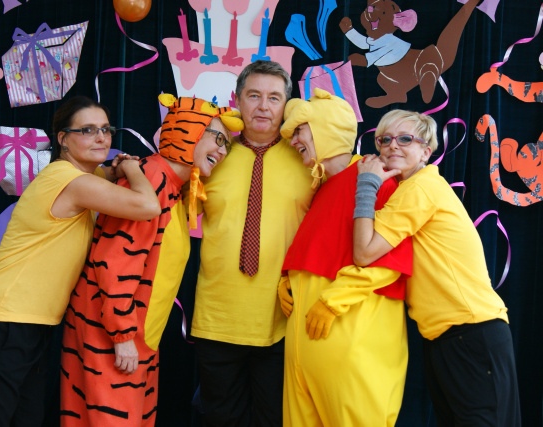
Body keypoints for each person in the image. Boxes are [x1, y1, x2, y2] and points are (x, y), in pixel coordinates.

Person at [0, 95, 161, 427]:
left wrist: (113, 170)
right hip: (2, 313)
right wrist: (131, 168)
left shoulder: (76, 177)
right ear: (63, 138)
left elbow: (100, 178)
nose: (101, 138)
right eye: (88, 130)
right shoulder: (69, 180)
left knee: (27, 417)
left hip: (29, 318)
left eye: (106, 129)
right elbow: (148, 206)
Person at [60, 94, 244, 426]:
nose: (221, 150)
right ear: (188, 130)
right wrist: (122, 336)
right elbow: (115, 260)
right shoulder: (152, 178)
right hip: (113, 336)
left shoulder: (172, 186)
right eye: (217, 138)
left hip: (137, 338)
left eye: (226, 145)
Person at [353, 110, 521, 426]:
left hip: (471, 333)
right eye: (384, 140)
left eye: (405, 139)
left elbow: (363, 252)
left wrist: (367, 183)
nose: (392, 146)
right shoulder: (411, 189)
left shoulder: (421, 188)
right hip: (445, 338)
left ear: (426, 152)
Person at [277, 88, 413, 426]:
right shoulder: (320, 188)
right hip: (302, 356)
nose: (294, 141)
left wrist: (333, 301)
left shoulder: (375, 177)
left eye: (300, 131)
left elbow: (391, 261)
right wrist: (288, 279)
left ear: (325, 128)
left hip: (351, 349)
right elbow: (314, 250)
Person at [190, 60, 315, 426]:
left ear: (286, 105)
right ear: (236, 100)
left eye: (274, 98)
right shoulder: (211, 155)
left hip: (282, 321)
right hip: (217, 316)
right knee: (220, 420)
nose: (263, 106)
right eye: (254, 95)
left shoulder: (309, 159)